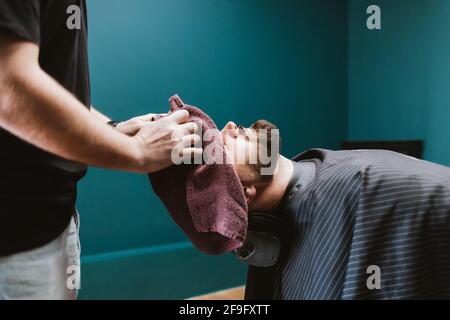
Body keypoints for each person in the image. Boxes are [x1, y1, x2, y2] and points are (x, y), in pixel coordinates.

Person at [0, 0, 201, 300]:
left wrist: (113, 127)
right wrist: (137, 152)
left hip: (53, 217)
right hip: (16, 238)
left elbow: (52, 85)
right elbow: (10, 87)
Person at [220, 120, 450, 299]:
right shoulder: (358, 185)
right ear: (241, 192)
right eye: (219, 149)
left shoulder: (363, 181)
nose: (229, 126)